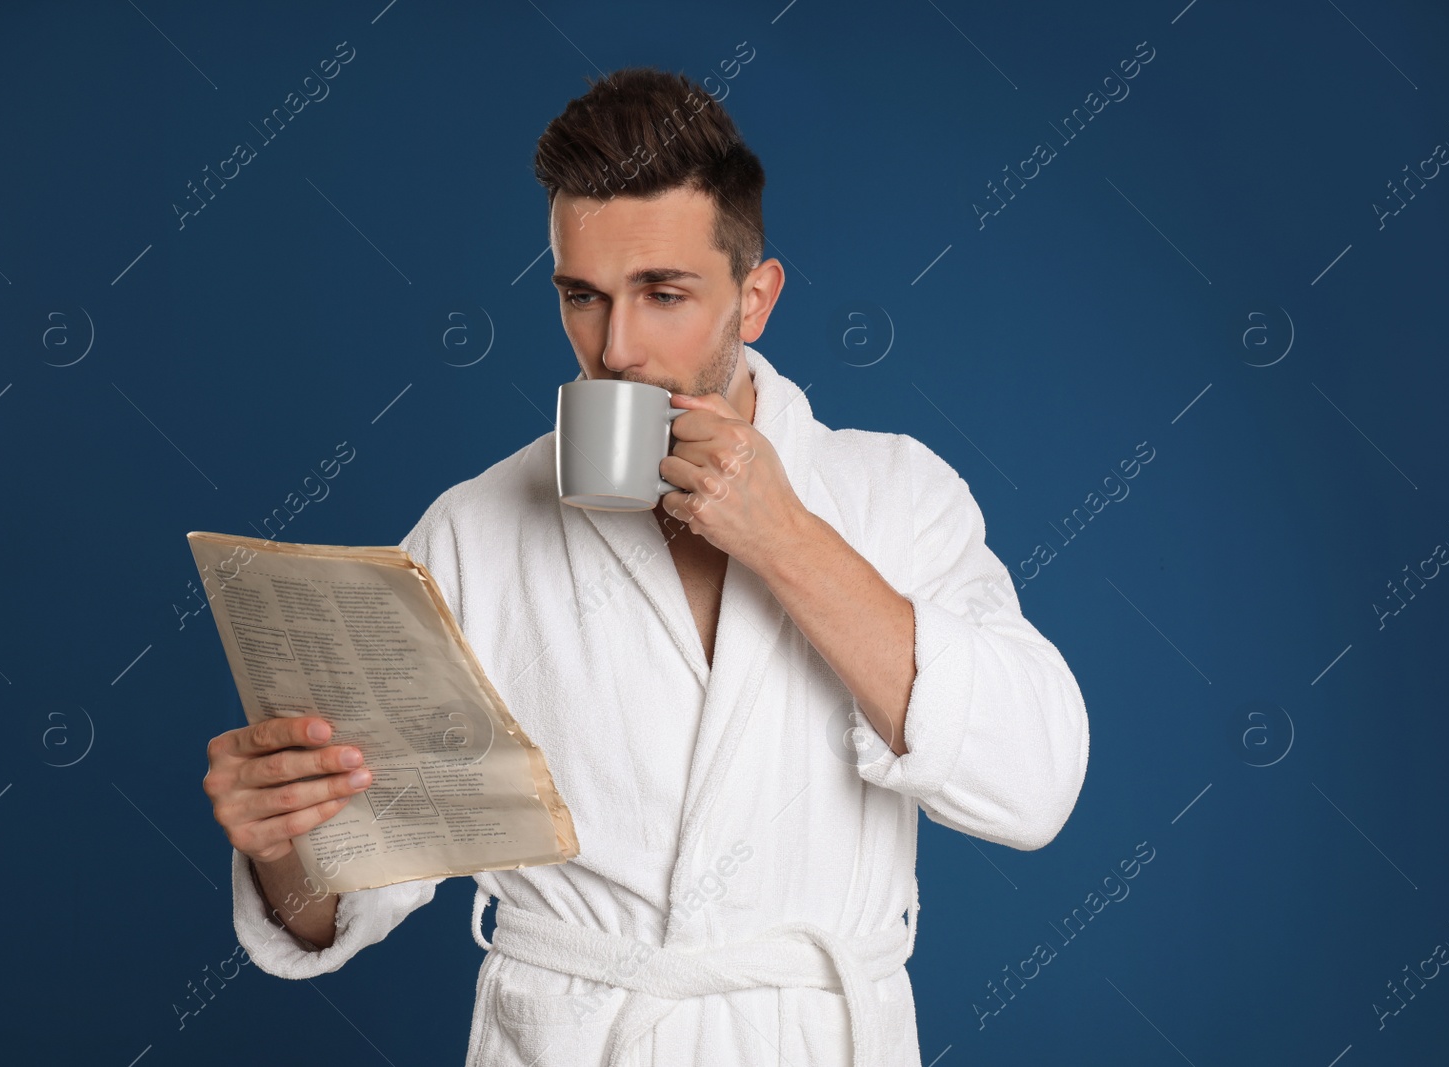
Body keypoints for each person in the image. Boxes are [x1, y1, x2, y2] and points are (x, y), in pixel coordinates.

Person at [202, 67, 1089, 1066]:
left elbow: (1031, 783)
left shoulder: (894, 496)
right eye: (582, 296)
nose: (614, 348)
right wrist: (282, 839)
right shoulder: (473, 531)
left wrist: (787, 538)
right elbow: (351, 889)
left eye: (663, 293)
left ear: (754, 299)